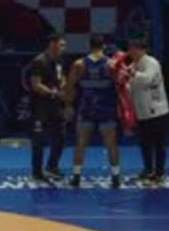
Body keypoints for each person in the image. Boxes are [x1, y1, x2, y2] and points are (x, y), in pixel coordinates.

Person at [64, 35, 123, 189]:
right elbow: (121, 87)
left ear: (89, 47)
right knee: (111, 143)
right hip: (106, 108)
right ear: (103, 46)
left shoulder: (79, 64)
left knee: (81, 143)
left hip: (87, 108)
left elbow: (70, 86)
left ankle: (76, 177)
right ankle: (116, 177)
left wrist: (68, 105)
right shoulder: (112, 64)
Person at [127, 37, 169, 184]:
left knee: (159, 143)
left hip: (157, 110)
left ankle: (160, 172)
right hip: (141, 111)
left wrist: (132, 73)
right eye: (129, 49)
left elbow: (147, 80)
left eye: (132, 49)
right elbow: (129, 85)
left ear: (141, 49)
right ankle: (148, 170)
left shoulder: (151, 62)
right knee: (144, 143)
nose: (130, 52)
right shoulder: (134, 64)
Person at [27, 33, 69, 182]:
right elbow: (36, 84)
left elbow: (61, 77)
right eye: (61, 45)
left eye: (64, 45)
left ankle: (52, 167)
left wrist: (63, 86)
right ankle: (37, 172)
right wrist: (53, 93)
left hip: (55, 106)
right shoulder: (39, 61)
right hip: (40, 107)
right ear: (52, 44)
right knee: (39, 140)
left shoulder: (59, 61)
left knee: (61, 137)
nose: (64, 48)